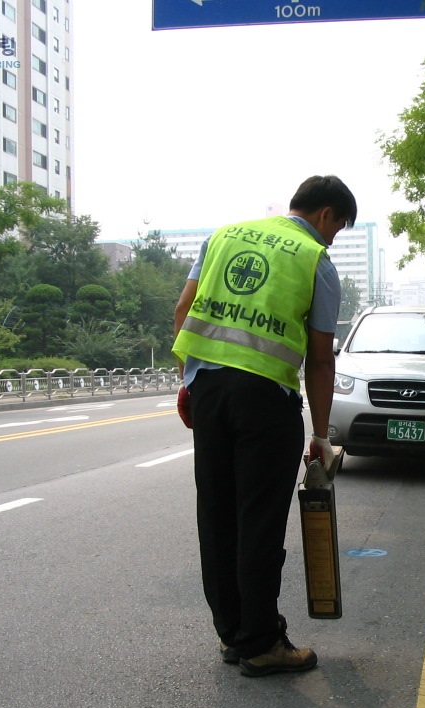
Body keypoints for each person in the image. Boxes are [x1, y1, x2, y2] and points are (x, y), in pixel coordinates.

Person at [171, 175, 356, 677]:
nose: (332, 239)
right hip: (265, 401)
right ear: (325, 215)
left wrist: (191, 380)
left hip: (210, 393)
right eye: (337, 228)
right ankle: (260, 642)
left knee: (217, 515)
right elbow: (320, 358)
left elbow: (183, 311)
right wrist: (321, 435)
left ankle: (232, 633)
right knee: (259, 520)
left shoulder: (223, 236)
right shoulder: (315, 260)